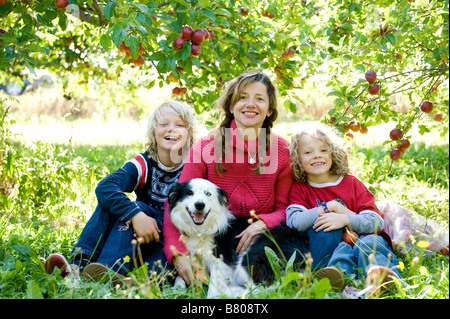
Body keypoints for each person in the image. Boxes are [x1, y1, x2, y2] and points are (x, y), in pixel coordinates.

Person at [163, 71, 294, 286]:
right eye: (243, 97)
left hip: (262, 240)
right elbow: (175, 201)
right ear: (231, 106)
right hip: (211, 240)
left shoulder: (282, 151)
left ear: (269, 110)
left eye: (259, 99)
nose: (250, 104)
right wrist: (176, 254)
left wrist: (262, 224)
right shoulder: (205, 147)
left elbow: (286, 208)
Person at [45, 101, 195, 285]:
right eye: (164, 124)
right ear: (153, 131)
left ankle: (125, 281)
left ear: (189, 133)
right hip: (137, 232)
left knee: (158, 275)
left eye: (179, 125)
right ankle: (81, 266)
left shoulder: (193, 167)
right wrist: (136, 215)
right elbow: (105, 187)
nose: (171, 130)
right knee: (116, 201)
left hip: (169, 237)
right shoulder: (143, 163)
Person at [286, 122, 402, 297]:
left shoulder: (350, 183)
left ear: (332, 152)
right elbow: (293, 222)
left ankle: (381, 277)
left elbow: (375, 221)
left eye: (323, 150)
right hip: (329, 247)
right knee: (340, 249)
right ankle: (337, 279)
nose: (316, 156)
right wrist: (327, 207)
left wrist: (346, 218)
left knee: (370, 243)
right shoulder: (300, 188)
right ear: (298, 159)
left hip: (363, 239)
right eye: (308, 152)